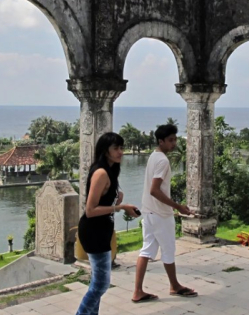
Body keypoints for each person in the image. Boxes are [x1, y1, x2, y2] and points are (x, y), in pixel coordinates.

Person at [132, 124, 197, 303]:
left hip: (149, 212)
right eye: (170, 140)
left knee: (146, 250)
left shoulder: (154, 156)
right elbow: (155, 190)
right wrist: (178, 206)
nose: (174, 143)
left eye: (175, 139)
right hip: (160, 214)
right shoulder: (162, 160)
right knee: (168, 250)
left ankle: (137, 291)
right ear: (161, 141)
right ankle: (175, 286)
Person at [76, 132, 140, 315]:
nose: (121, 152)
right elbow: (90, 210)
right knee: (101, 285)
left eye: (122, 148)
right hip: (94, 231)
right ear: (106, 151)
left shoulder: (110, 171)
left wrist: (116, 200)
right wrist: (121, 207)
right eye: (116, 148)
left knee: (98, 282)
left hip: (102, 231)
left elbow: (103, 202)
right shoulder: (101, 173)